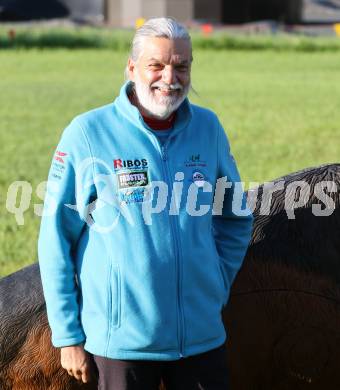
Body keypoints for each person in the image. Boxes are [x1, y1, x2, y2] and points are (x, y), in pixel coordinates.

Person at [38, 17, 253, 390]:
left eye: (181, 66)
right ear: (132, 67)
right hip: (121, 347)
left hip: (202, 341)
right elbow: (55, 238)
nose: (170, 77)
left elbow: (235, 216)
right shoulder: (87, 133)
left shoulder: (208, 128)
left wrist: (215, 283)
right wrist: (67, 335)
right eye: (157, 64)